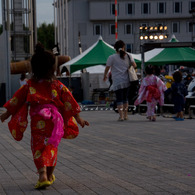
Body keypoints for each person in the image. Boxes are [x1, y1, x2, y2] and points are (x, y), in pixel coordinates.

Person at [0, 43, 89, 189]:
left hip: (37, 122)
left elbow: (17, 100)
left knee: (38, 147)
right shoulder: (57, 85)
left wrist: (6, 114)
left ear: (34, 68)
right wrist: (78, 118)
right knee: (51, 146)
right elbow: (69, 100)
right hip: (54, 123)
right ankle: (49, 174)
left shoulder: (29, 85)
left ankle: (42, 174)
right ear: (52, 68)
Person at [103, 40, 137, 121]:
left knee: (119, 99)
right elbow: (135, 66)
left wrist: (105, 76)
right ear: (123, 47)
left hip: (117, 81)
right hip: (127, 81)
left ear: (114, 48)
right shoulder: (129, 55)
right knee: (125, 98)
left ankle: (121, 116)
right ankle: (125, 115)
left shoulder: (111, 57)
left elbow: (107, 68)